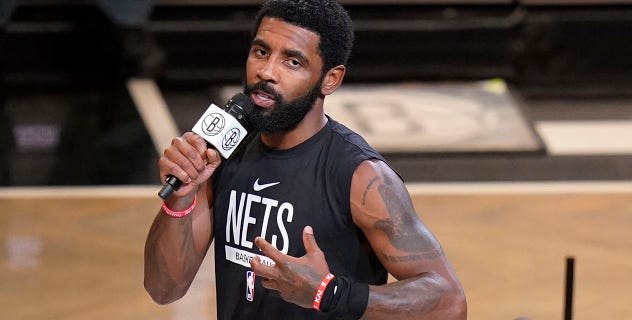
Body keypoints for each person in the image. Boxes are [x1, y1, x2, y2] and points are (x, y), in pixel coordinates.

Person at [144, 0, 467, 319]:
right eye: (261, 52)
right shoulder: (223, 152)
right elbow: (163, 289)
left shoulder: (360, 175)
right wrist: (180, 199)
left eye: (293, 62)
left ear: (330, 79)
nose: (266, 71)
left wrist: (330, 294)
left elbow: (449, 303)